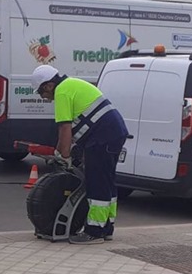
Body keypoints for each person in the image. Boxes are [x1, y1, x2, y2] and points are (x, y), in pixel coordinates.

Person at [32, 65, 129, 244]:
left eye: (41, 92)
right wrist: (66, 150)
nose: (43, 97)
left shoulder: (62, 92)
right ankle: (106, 228)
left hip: (102, 138)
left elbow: (64, 127)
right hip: (113, 133)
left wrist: (63, 156)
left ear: (49, 86)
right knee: (107, 181)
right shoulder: (72, 84)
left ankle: (94, 232)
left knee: (97, 182)